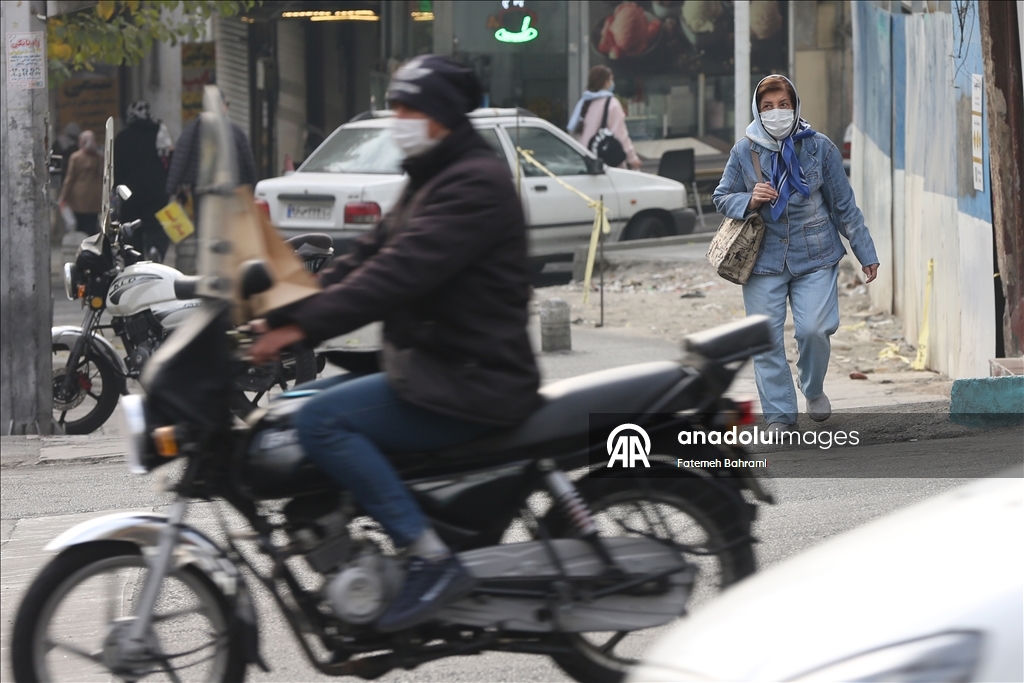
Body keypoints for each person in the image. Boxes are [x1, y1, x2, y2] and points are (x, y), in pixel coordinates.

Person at [250, 55, 541, 632]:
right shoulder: (432, 176)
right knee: (288, 409)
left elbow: (396, 276)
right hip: (438, 366)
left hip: (470, 378)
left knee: (323, 423)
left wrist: (303, 327)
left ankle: (430, 559)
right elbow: (365, 258)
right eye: (397, 106)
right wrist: (284, 306)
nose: (398, 118)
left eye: (409, 107)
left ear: (441, 115)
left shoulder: (473, 185)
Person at [713, 75, 879, 431]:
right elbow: (721, 196)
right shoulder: (744, 150)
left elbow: (844, 206)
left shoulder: (821, 148)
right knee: (766, 340)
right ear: (758, 112)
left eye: (783, 105)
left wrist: (865, 252)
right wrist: (749, 199)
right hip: (762, 261)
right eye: (767, 107)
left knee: (815, 330)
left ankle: (813, 387)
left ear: (795, 106)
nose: (776, 114)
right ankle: (779, 416)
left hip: (816, 255)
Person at [166, 88, 257, 274]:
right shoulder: (234, 132)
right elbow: (248, 164)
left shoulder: (194, 129)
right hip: (232, 190)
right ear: (222, 106)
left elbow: (180, 157)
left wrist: (172, 188)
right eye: (227, 104)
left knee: (205, 227)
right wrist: (252, 188)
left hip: (202, 191)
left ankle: (207, 266)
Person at [114, 101, 170, 261]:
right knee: (157, 229)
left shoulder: (122, 138)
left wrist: (117, 189)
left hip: (131, 195)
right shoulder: (160, 132)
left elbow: (116, 168)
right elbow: (168, 159)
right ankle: (155, 252)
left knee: (132, 231)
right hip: (158, 193)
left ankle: (135, 263)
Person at [568, 65, 642, 170]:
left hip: (585, 162)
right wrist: (632, 158)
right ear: (605, 82)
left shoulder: (584, 102)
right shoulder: (611, 103)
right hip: (605, 165)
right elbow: (620, 135)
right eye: (611, 80)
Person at [58, 130, 104, 236]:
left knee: (79, 227)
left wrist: (63, 196)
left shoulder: (76, 157)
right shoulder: (99, 158)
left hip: (78, 198)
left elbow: (70, 178)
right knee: (92, 226)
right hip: (95, 198)